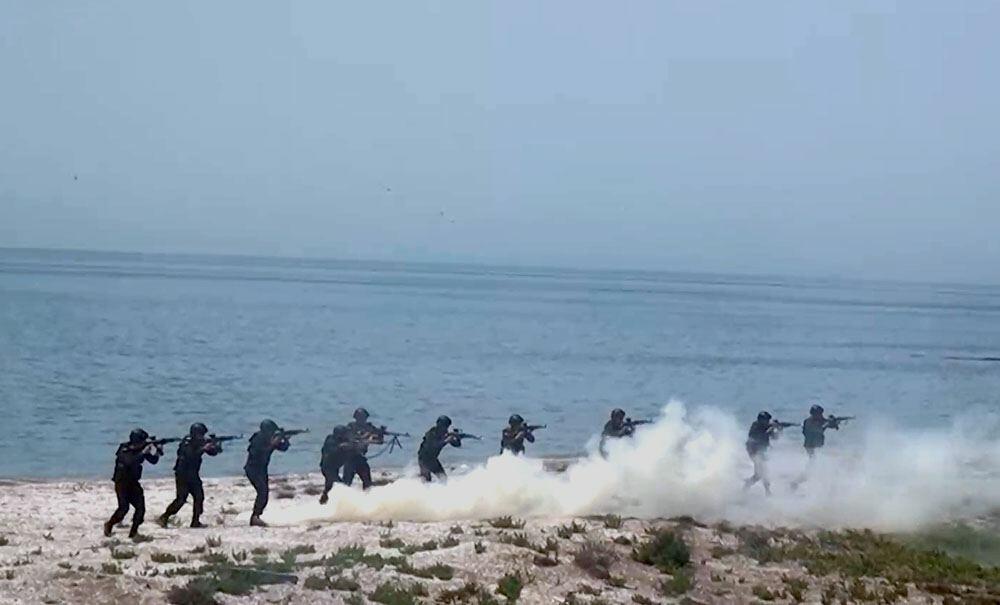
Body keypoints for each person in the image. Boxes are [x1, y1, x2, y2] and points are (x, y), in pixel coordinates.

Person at [158, 423, 221, 528]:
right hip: (183, 474)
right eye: (201, 434)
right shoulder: (186, 442)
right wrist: (203, 448)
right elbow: (190, 455)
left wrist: (216, 445)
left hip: (193, 474)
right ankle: (165, 516)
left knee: (199, 497)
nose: (202, 437)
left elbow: (214, 453)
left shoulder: (200, 442)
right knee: (181, 499)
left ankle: (195, 522)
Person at [103, 428, 161, 538]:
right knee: (123, 509)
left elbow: (153, 461)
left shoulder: (141, 449)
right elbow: (130, 461)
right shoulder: (124, 449)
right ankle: (109, 525)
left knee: (140, 509)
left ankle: (133, 533)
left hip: (133, 483)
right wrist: (143, 452)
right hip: (122, 484)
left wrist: (157, 450)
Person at [244, 419, 289, 527]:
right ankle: (255, 517)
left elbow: (283, 448)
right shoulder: (257, 439)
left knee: (264, 493)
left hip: (262, 470)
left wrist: (285, 440)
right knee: (262, 492)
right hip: (253, 469)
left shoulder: (270, 439)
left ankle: (256, 516)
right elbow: (260, 453)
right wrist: (273, 444)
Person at [343, 407, 384, 489]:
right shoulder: (351, 426)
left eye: (363, 417)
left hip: (361, 459)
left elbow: (379, 441)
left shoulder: (370, 427)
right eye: (359, 417)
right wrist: (366, 436)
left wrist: (380, 433)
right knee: (346, 483)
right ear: (355, 417)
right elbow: (351, 438)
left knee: (367, 484)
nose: (362, 419)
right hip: (350, 459)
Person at [743, 411, 781, 496]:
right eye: (766, 420)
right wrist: (770, 429)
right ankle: (766, 491)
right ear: (761, 420)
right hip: (754, 452)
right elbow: (758, 437)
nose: (767, 422)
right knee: (761, 473)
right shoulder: (755, 426)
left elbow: (775, 437)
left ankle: (764, 490)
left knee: (760, 474)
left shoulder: (767, 426)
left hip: (760, 452)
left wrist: (778, 430)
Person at [417, 415, 463, 482]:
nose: (446, 429)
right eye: (444, 426)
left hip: (433, 459)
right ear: (439, 425)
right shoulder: (431, 433)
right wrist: (446, 440)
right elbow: (435, 445)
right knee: (427, 481)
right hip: (424, 459)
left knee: (444, 479)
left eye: (447, 426)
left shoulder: (445, 434)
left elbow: (457, 445)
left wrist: (457, 437)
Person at [319, 425, 356, 504]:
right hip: (327, 468)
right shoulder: (330, 440)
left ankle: (324, 502)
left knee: (329, 487)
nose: (347, 434)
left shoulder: (345, 440)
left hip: (335, 468)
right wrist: (341, 447)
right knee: (338, 485)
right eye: (345, 433)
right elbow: (331, 451)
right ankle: (338, 503)